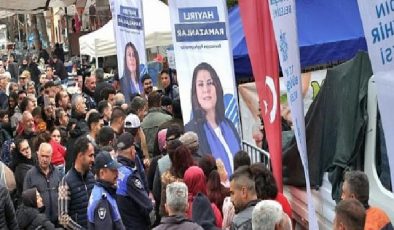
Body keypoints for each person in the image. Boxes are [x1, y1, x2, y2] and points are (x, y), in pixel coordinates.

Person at [185, 62, 241, 176]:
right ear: (195, 92)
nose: (206, 89)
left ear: (217, 87)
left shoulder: (229, 124)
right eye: (200, 85)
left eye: (210, 83)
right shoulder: (190, 130)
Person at [115, 132, 153, 229]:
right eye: (134, 149)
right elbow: (147, 205)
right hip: (137, 224)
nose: (135, 152)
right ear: (132, 150)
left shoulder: (114, 170)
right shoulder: (129, 176)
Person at [58, 136, 95, 229]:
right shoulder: (66, 182)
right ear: (80, 156)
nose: (93, 159)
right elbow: (62, 217)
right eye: (90, 155)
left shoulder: (92, 177)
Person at [23, 143, 61, 224]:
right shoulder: (30, 175)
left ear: (51, 156)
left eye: (47, 156)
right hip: (39, 223)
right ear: (38, 155)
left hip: (57, 222)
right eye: (42, 156)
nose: (44, 159)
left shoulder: (57, 172)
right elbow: (26, 202)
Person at [88, 151, 124, 230]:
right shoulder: (102, 200)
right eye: (113, 170)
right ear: (102, 173)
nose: (117, 173)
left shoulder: (105, 191)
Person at [141, 91, 172, 157]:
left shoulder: (142, 124)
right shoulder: (168, 119)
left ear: (148, 104)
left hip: (150, 159)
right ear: (160, 102)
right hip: (166, 156)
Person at [229, 166, 259, 230]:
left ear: (243, 192)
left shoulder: (238, 223)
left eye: (232, 193)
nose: (231, 199)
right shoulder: (275, 216)